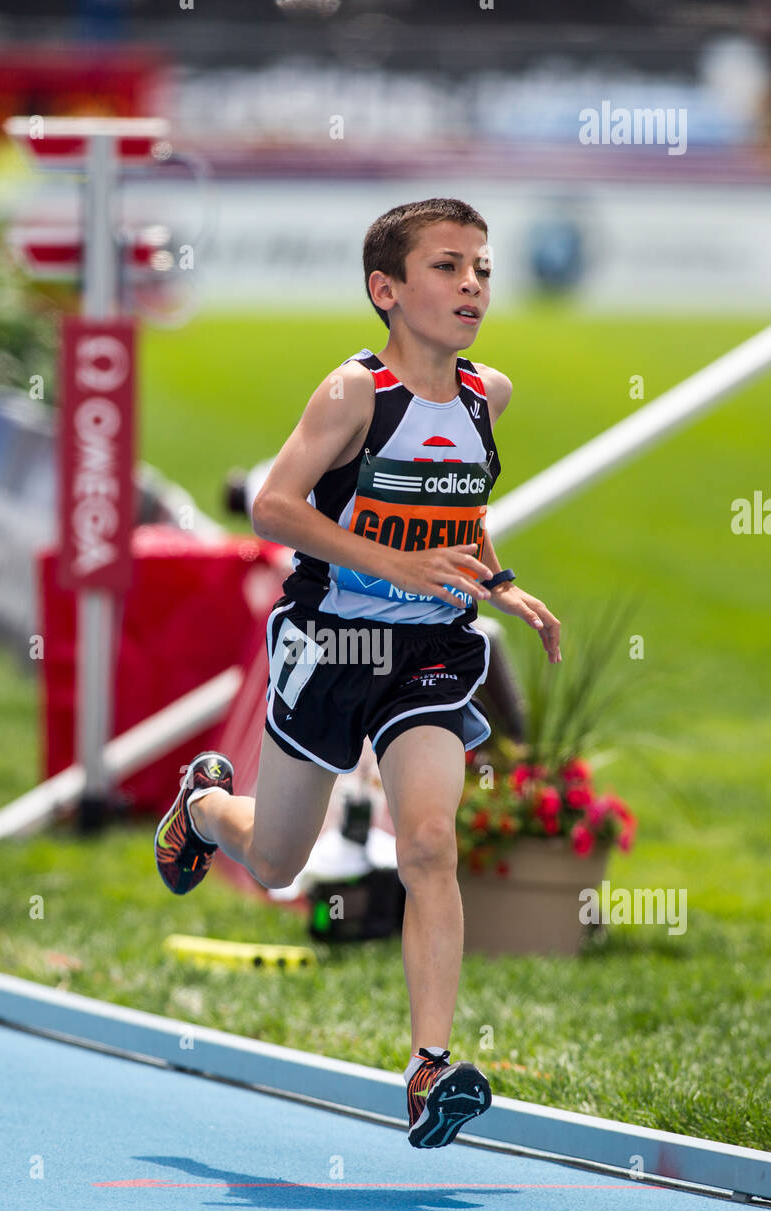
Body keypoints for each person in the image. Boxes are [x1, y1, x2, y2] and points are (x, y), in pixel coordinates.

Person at [155, 196, 561, 1148]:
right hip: (334, 641)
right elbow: (272, 508)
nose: (472, 286)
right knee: (281, 860)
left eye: (482, 269)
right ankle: (204, 807)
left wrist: (493, 579)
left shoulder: (485, 397)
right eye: (448, 268)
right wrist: (392, 565)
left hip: (428, 646)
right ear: (387, 290)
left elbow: (456, 507)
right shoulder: (355, 393)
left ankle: (429, 1071)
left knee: (428, 844)